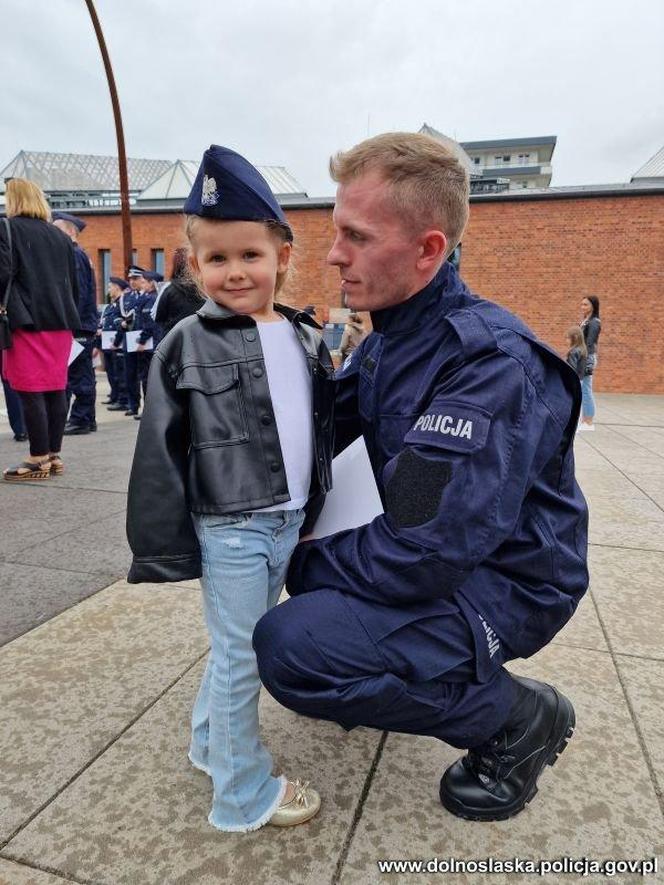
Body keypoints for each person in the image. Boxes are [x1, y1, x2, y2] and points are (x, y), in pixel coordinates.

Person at [252, 132, 589, 823]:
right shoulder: (393, 339)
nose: (334, 254)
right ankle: (397, 665)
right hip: (457, 553)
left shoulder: (484, 364)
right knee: (307, 585)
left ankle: (515, 718)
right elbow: (319, 434)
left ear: (428, 250)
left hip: (509, 581)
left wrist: (306, 549)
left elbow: (420, 551)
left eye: (356, 235)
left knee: (295, 647)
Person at [125, 145, 334, 831]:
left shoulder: (306, 339)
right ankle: (242, 794)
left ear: (281, 252)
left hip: (288, 521)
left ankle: (207, 743)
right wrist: (162, 546)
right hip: (232, 526)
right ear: (193, 265)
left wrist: (317, 510)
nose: (235, 271)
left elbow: (317, 430)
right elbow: (159, 448)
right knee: (243, 654)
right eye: (216, 259)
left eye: (250, 254)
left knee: (233, 646)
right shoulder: (184, 342)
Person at [0, 178, 80, 480]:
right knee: (55, 387)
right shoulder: (59, 236)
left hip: (27, 319)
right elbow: (73, 283)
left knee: (30, 388)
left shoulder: (7, 228)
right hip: (60, 320)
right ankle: (53, 454)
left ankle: (37, 458)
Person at [52, 212, 99, 435]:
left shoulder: (73, 254)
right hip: (81, 324)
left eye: (57, 228)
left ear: (71, 231)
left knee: (78, 374)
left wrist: (70, 324)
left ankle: (81, 419)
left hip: (78, 325)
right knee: (81, 373)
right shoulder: (76, 254)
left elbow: (77, 294)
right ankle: (86, 418)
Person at [115, 265, 146, 417]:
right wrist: (120, 324)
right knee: (130, 375)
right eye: (131, 279)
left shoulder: (147, 295)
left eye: (136, 279)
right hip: (129, 338)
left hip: (144, 341)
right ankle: (133, 405)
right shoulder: (125, 298)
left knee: (145, 376)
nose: (133, 282)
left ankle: (147, 408)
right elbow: (119, 317)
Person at [132, 270, 164, 420]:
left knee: (149, 379)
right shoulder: (144, 298)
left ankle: (151, 411)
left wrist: (142, 341)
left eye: (144, 281)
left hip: (150, 345)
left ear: (152, 283)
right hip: (146, 345)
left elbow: (150, 325)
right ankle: (148, 409)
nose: (142, 284)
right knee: (145, 378)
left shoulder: (152, 299)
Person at [153, 247, 205, 335]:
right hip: (200, 338)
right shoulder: (206, 287)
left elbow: (156, 316)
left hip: (174, 339)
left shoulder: (169, 288)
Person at [99, 277, 129, 411]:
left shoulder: (122, 304)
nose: (109, 289)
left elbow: (123, 323)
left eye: (110, 286)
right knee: (111, 372)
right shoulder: (110, 306)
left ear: (117, 288)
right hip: (107, 343)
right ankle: (115, 395)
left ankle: (123, 399)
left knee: (120, 373)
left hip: (118, 343)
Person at [579, 295, 601, 431]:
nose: (582, 307)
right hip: (583, 356)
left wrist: (583, 358)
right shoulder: (586, 321)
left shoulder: (594, 322)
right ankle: (585, 420)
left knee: (586, 390)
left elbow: (589, 342)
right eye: (581, 304)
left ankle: (589, 422)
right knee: (584, 389)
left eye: (586, 304)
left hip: (587, 357)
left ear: (593, 306)